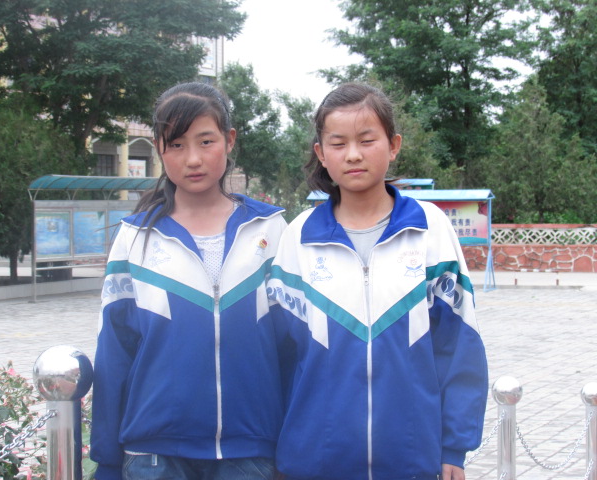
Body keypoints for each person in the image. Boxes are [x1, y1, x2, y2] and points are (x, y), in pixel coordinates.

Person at [267, 82, 488, 480]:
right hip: (315, 462)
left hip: (412, 460)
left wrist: (454, 446)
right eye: (338, 143)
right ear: (321, 153)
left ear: (393, 145)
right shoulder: (298, 237)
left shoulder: (430, 230)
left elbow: (460, 348)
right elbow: (278, 357)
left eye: (367, 140)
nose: (353, 154)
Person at [91, 82, 287, 480]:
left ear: (229, 140)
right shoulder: (135, 237)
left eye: (206, 141)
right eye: (176, 145)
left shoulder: (270, 229)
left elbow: (293, 347)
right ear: (159, 149)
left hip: (250, 449)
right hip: (154, 452)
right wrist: (107, 460)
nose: (193, 159)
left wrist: (292, 447)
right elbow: (114, 351)